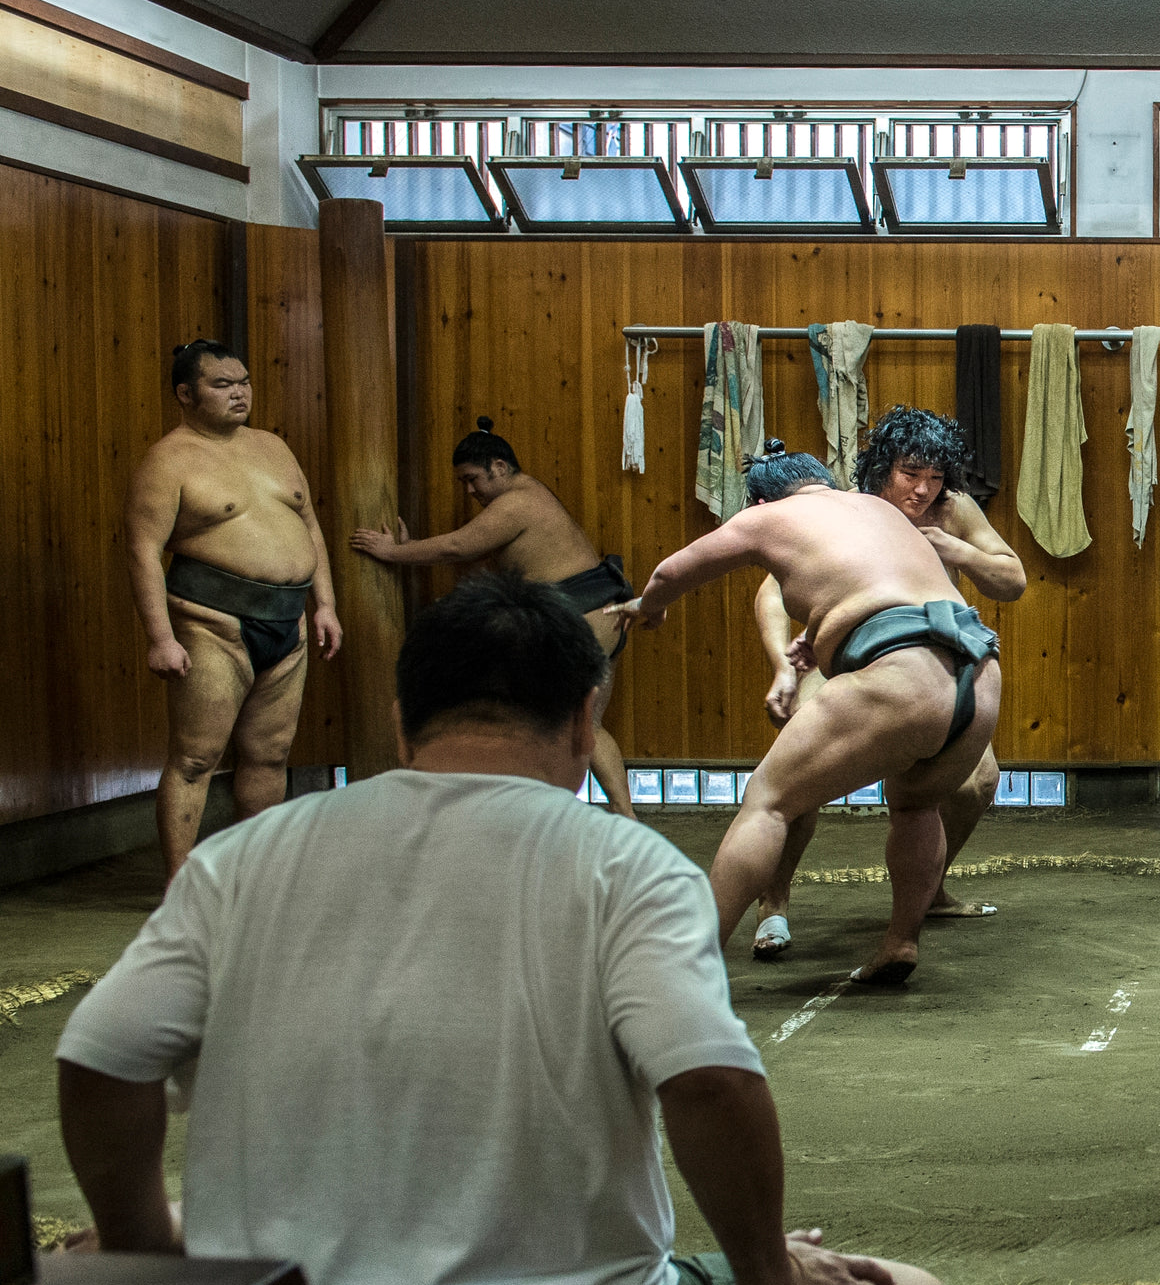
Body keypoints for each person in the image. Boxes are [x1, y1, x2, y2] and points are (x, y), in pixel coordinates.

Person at [57, 572, 951, 1285]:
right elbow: (711, 1084)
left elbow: (102, 1060)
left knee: (115, 1245)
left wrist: (146, 1256)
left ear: (404, 723)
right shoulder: (628, 868)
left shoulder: (241, 859)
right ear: (582, 721)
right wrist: (769, 1278)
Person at [609, 444, 1002, 987]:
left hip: (902, 672)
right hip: (979, 672)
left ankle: (687, 969)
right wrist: (824, 640)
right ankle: (900, 941)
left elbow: (673, 570)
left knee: (768, 803)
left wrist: (648, 608)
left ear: (762, 498)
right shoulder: (877, 509)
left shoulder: (766, 517)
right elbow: (886, 588)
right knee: (916, 805)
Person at [750, 408, 1026, 959]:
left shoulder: (954, 512)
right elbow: (773, 591)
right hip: (842, 659)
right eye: (911, 473)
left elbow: (1012, 579)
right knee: (796, 777)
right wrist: (784, 663)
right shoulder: (849, 507)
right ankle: (772, 905)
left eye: (936, 477)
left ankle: (928, 891)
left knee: (977, 783)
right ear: (883, 467)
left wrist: (957, 551)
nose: (924, 489)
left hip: (928, 664)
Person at [125, 339, 343, 882]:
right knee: (196, 760)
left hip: (288, 624)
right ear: (185, 394)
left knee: (270, 756)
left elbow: (309, 526)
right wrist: (160, 637)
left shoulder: (272, 446)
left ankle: (258, 877)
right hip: (211, 623)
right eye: (221, 385)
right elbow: (142, 550)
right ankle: (179, 886)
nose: (239, 392)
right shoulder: (168, 459)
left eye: (242, 381)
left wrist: (326, 605)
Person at [349, 417, 636, 818]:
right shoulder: (531, 496)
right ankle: (627, 818)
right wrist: (412, 547)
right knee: (588, 725)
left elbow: (457, 547)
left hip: (577, 617)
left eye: (472, 479)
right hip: (604, 614)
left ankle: (538, 815)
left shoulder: (517, 502)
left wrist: (393, 552)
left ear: (498, 467)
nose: (469, 491)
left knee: (540, 722)